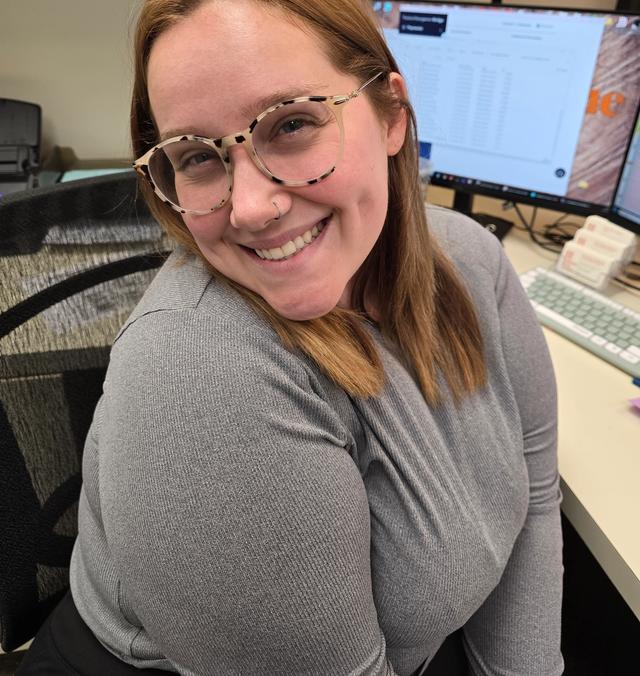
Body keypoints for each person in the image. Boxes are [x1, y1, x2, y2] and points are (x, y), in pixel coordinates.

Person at [17, 0, 564, 674]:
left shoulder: (471, 260)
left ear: (391, 115)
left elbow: (538, 499)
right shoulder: (201, 377)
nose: (249, 207)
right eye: (195, 156)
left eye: (294, 123)